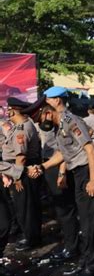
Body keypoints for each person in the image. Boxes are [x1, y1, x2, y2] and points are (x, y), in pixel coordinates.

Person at [25, 87, 94, 276]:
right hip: (78, 174)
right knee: (86, 223)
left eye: (41, 116)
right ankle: (86, 261)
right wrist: (43, 166)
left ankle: (92, 267)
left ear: (51, 107)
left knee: (91, 223)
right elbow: (64, 153)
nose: (42, 121)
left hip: (87, 172)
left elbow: (90, 150)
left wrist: (93, 179)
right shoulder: (60, 125)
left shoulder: (71, 121)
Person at [37, 102, 79, 261]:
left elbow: (65, 150)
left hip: (59, 168)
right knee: (60, 209)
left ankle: (72, 248)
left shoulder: (65, 121)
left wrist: (62, 172)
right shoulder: (55, 124)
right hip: (50, 165)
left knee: (66, 211)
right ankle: (70, 242)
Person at [2, 97, 42, 251]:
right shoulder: (17, 126)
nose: (7, 112)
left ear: (13, 110)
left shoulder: (22, 128)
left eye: (9, 109)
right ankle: (31, 235)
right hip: (19, 169)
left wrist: (17, 176)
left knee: (26, 206)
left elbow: (21, 156)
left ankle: (31, 238)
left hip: (23, 171)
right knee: (25, 205)